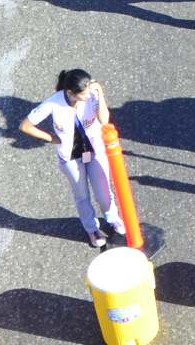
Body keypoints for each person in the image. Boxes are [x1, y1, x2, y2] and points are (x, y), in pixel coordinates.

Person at [18, 68, 124, 247]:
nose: (87, 95)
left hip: (95, 150)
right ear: (71, 93)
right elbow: (25, 126)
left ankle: (113, 218)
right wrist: (52, 139)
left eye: (89, 91)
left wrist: (100, 93)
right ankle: (92, 230)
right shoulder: (53, 103)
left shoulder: (92, 95)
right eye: (84, 94)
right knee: (82, 195)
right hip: (70, 157)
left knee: (104, 191)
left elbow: (104, 120)